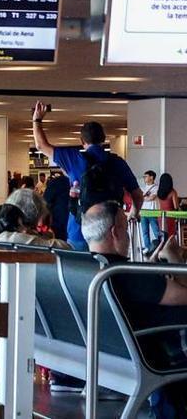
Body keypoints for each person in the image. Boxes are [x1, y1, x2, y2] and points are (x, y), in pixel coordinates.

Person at [84, 201, 187, 415]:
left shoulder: (87, 268)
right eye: (126, 224)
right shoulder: (123, 274)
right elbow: (183, 296)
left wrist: (152, 263)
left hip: (107, 350)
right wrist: (175, 257)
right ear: (116, 232)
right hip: (151, 352)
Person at [32, 103, 141, 251]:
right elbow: (137, 194)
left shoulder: (74, 159)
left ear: (82, 142)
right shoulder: (117, 162)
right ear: (104, 139)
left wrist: (37, 120)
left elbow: (40, 145)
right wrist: (134, 212)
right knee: (111, 271)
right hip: (112, 232)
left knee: (80, 271)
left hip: (79, 231)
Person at [43, 171, 72, 241]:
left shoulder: (56, 183)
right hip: (78, 227)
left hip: (58, 225)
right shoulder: (83, 180)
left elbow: (45, 203)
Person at [142, 170, 163, 256]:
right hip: (143, 212)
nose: (144, 178)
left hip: (152, 212)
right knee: (145, 232)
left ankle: (160, 247)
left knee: (156, 231)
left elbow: (152, 198)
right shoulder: (143, 188)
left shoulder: (156, 187)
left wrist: (143, 198)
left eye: (146, 176)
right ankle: (148, 248)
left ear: (151, 177)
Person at [158, 173, 181, 245]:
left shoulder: (159, 193)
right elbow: (176, 207)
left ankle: (162, 251)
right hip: (170, 216)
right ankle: (170, 252)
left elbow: (159, 206)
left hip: (161, 216)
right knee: (171, 236)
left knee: (163, 236)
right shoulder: (173, 192)